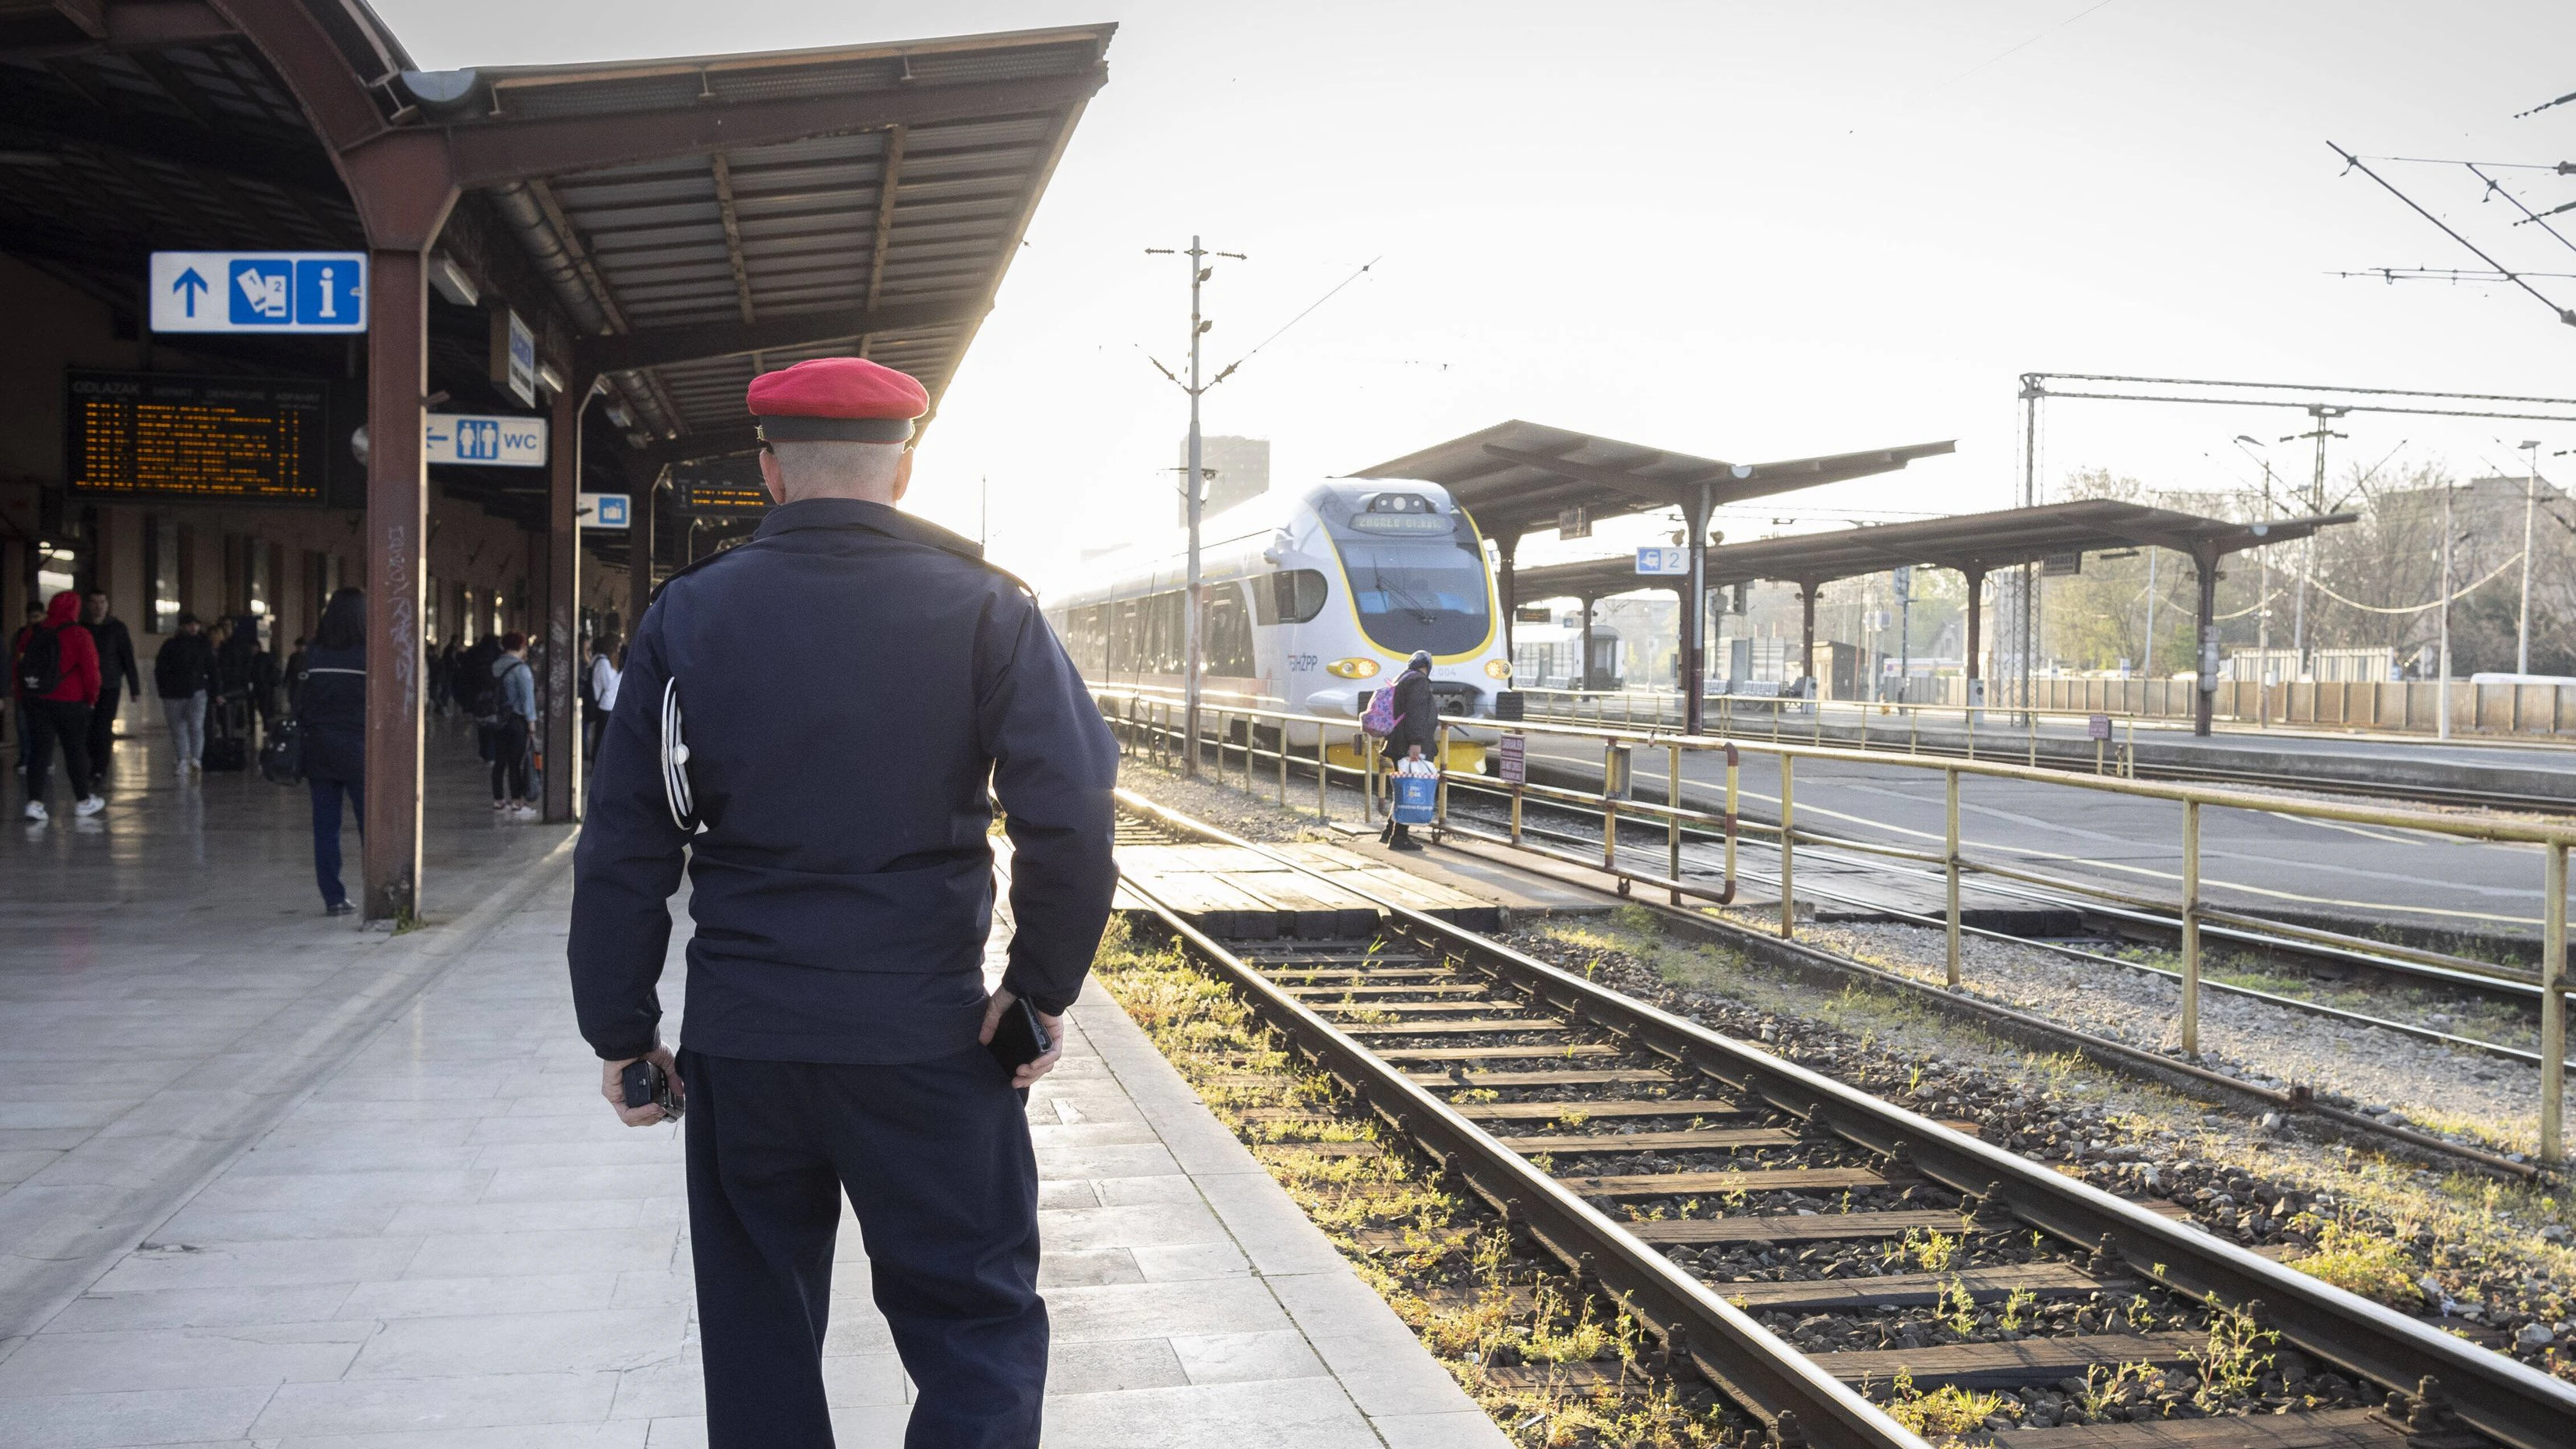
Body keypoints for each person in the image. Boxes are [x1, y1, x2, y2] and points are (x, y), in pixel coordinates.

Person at [567, 355, 1117, 1449]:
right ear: (905, 468)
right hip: (929, 1037)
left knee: (760, 1337)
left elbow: (628, 840)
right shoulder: (988, 608)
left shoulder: (689, 615)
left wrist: (624, 1030)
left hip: (748, 1038)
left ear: (769, 470)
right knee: (974, 1329)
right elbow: (1074, 819)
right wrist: (1036, 991)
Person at [298, 590, 366, 917]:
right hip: (359, 748)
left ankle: (334, 897)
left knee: (325, 828)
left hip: (319, 750)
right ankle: (381, 892)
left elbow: (298, 701)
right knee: (371, 825)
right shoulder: (368, 655)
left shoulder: (312, 654)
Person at [17, 590, 104, 822]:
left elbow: (21, 667)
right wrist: (92, 698)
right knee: (75, 750)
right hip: (70, 702)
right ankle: (84, 801)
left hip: (36, 699)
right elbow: (91, 671)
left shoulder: (32, 633)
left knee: (39, 751)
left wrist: (21, 695)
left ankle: (35, 803)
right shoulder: (79, 634)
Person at [1376, 649, 1439, 846]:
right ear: (1427, 667)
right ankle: (1399, 837)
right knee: (1410, 790)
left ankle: (1389, 831)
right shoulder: (1419, 681)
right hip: (1408, 743)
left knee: (1403, 788)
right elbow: (1416, 712)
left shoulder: (1403, 678)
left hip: (1398, 740)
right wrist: (1416, 742)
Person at [80, 591, 140, 790]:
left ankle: (99, 768)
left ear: (107, 605)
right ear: (89, 605)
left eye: (102, 602)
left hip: (109, 685)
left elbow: (127, 657)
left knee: (103, 727)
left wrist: (134, 687)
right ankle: (92, 764)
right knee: (87, 729)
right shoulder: (81, 628)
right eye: (94, 602)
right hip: (84, 687)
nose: (98, 606)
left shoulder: (117, 628)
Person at [154, 613, 215, 778]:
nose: (194, 628)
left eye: (196, 624)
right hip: (174, 693)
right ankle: (183, 760)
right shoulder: (171, 645)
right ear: (182, 626)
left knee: (194, 727)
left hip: (196, 692)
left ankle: (195, 760)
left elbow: (212, 668)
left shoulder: (203, 645)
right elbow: (160, 669)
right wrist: (164, 689)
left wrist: (216, 691)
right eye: (190, 625)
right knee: (179, 729)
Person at [489, 631, 539, 817]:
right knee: (516, 762)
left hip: (497, 719)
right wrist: (531, 723)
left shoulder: (495, 666)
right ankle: (517, 801)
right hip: (516, 721)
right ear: (521, 647)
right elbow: (528, 700)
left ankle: (498, 799)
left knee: (499, 761)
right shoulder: (521, 669)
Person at [583, 634, 620, 762]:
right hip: (604, 704)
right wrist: (620, 675)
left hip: (600, 701)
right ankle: (597, 761)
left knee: (599, 735)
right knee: (601, 735)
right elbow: (609, 684)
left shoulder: (598, 659)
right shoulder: (604, 662)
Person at [283, 635, 310, 714]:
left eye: (303, 646)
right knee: (293, 702)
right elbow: (289, 670)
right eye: (298, 646)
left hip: (306, 684)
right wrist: (285, 681)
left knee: (304, 704)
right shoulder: (293, 657)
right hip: (294, 683)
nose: (300, 648)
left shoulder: (310, 656)